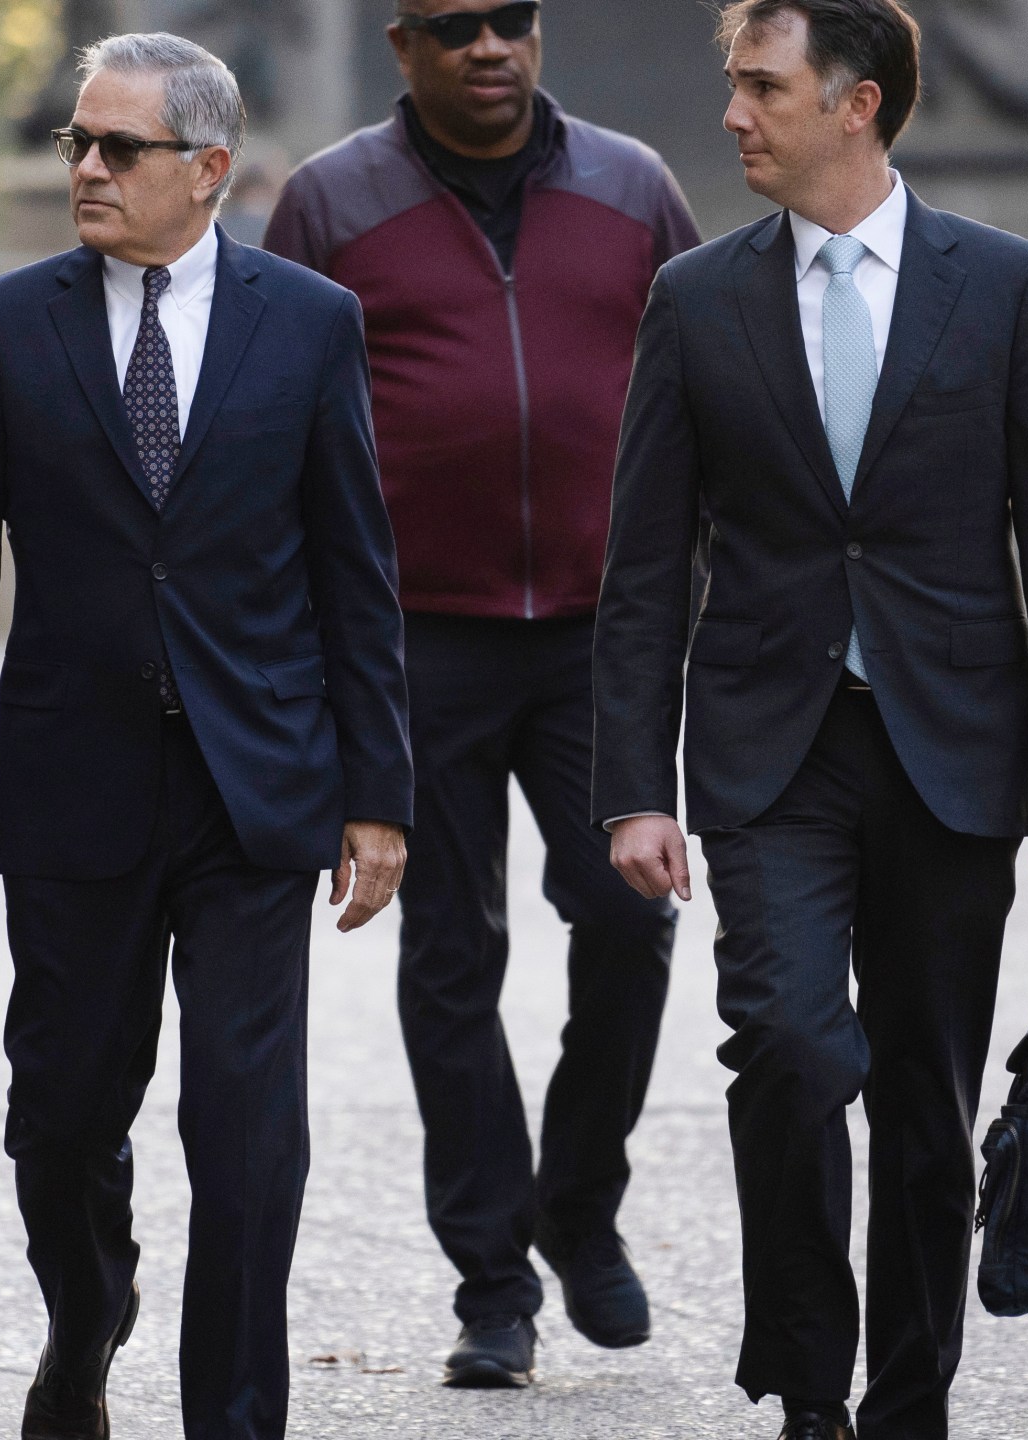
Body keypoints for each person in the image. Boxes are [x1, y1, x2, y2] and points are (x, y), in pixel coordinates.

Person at [592, 3, 1028, 1437]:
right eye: (733, 84)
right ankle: (810, 1384)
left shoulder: (1006, 284)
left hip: (956, 751)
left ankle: (910, 1401)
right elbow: (644, 567)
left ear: (857, 104)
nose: (735, 114)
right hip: (772, 748)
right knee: (793, 1047)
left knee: (927, 1109)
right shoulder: (697, 298)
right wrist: (635, 786)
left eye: (764, 86)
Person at [0, 34, 414, 1440]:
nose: (89, 170)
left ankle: (233, 1418)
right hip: (73, 786)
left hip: (256, 792)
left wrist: (379, 794)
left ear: (209, 171)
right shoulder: (4, 327)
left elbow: (354, 569)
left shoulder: (308, 323)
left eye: (120, 148)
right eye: (77, 144)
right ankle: (88, 1308)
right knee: (60, 1114)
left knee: (245, 1139)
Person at [264, 0, 699, 1388]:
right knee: (450, 959)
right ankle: (493, 1282)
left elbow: (707, 381)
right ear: (403, 47)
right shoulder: (332, 202)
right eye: (455, 27)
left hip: (598, 633)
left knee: (630, 922)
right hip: (412, 641)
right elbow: (273, 415)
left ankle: (578, 1200)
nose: (490, 48)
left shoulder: (635, 187)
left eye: (512, 19)